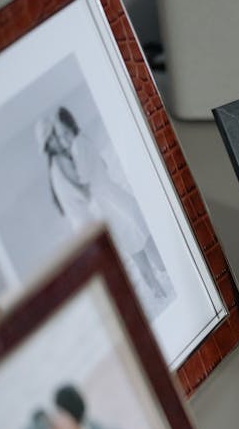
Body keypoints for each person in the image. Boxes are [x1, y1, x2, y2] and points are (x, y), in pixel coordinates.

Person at [37, 106, 168, 305]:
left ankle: (159, 289)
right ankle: (159, 288)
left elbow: (85, 181)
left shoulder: (76, 148)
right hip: (111, 206)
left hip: (113, 206)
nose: (62, 138)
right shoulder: (72, 151)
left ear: (70, 127)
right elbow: (88, 183)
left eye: (63, 133)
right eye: (58, 135)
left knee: (141, 248)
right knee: (141, 247)